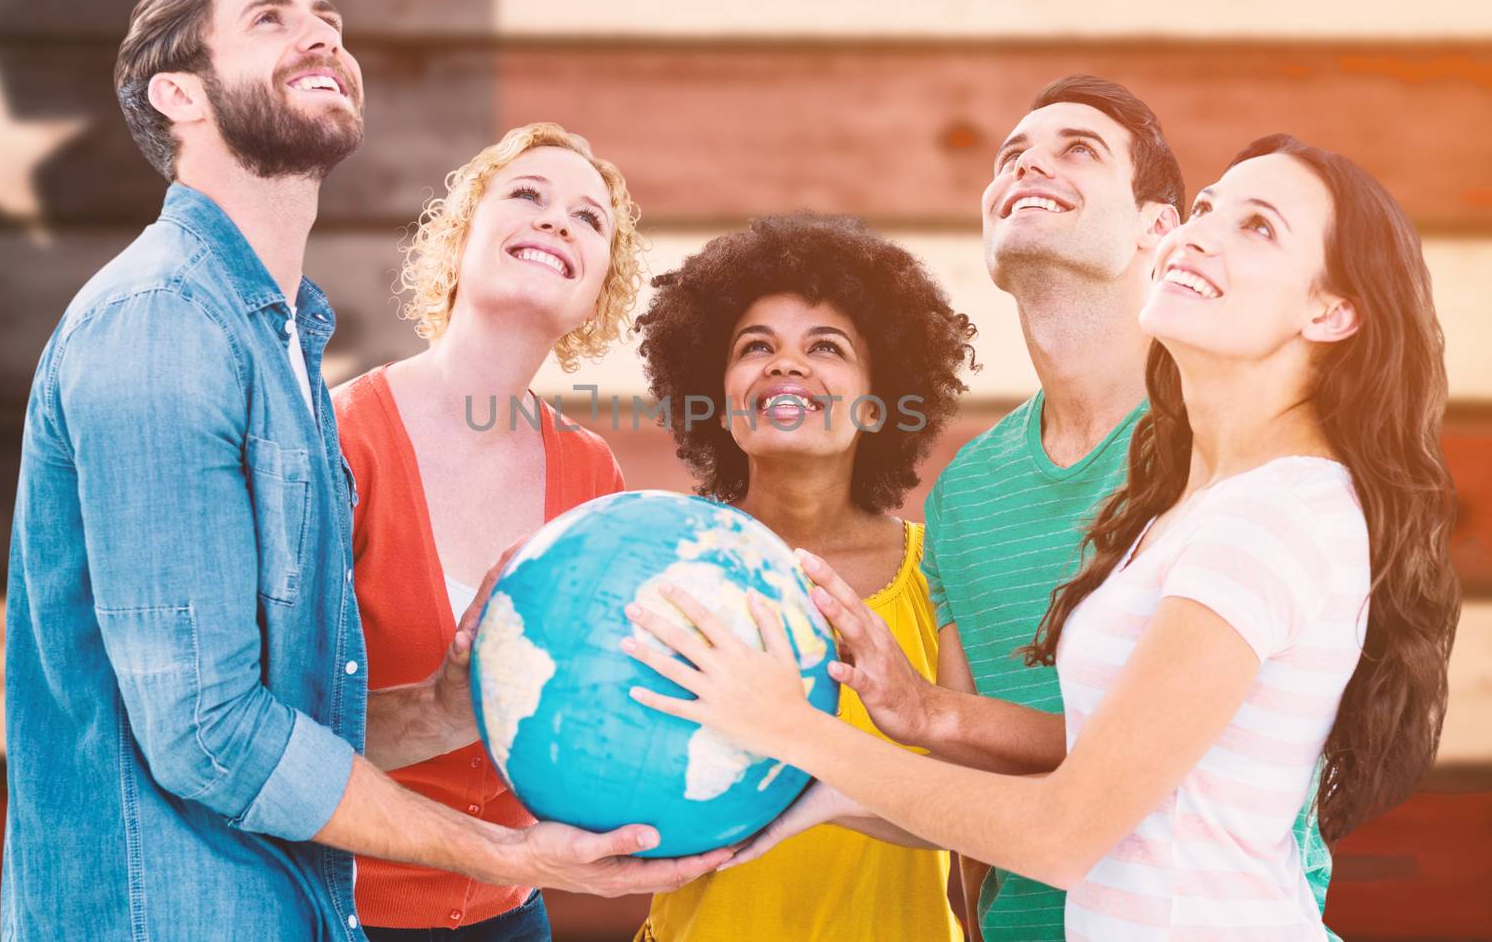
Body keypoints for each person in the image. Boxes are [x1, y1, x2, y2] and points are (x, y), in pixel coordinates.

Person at [1, 0, 725, 940]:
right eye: (271, 18)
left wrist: (442, 708)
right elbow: (209, 735)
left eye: (329, 25)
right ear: (181, 91)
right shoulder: (164, 324)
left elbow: (288, 713)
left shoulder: (278, 346)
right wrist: (508, 851)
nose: (321, 39)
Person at [622, 135, 1460, 940]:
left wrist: (803, 736)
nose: (1201, 233)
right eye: (1206, 206)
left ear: (1333, 310)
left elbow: (1065, 832)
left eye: (1258, 225)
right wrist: (927, 713)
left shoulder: (1270, 517)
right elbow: (1122, 753)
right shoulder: (1193, 504)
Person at [334, 122, 647, 940]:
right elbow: (272, 733)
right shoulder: (337, 439)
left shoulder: (593, 475)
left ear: (599, 289)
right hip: (333, 917)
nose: (556, 221)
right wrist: (443, 710)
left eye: (588, 219)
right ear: (460, 237)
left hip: (513, 919)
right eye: (528, 196)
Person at [628, 213, 976, 941]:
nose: (786, 365)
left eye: (827, 346)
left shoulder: (937, 570)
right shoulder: (671, 563)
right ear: (721, 398)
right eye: (757, 347)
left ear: (877, 403)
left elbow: (984, 808)